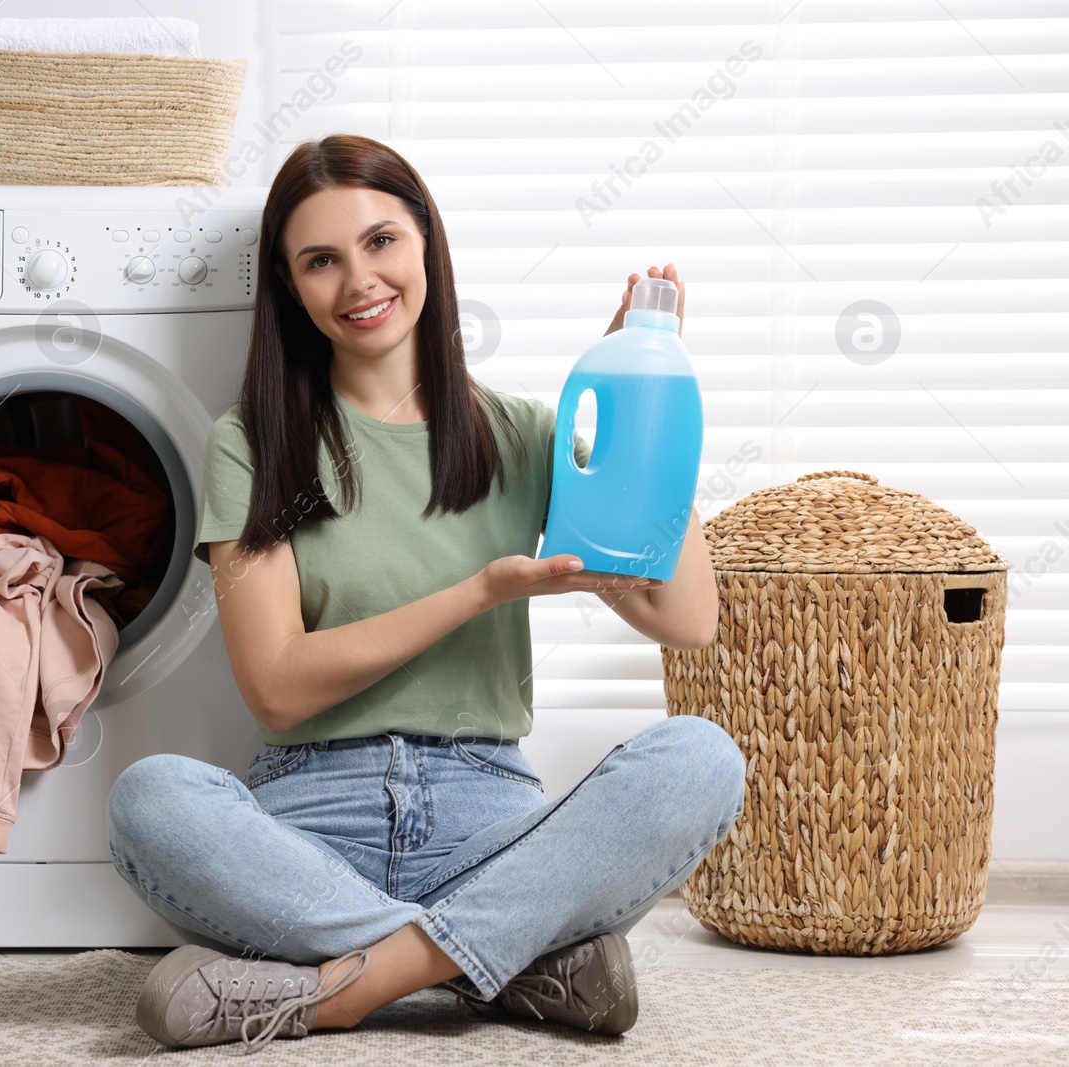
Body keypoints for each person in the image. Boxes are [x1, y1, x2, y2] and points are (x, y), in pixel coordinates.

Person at [104, 133, 746, 1053]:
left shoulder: (523, 435)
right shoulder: (253, 441)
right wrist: (477, 590)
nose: (358, 280)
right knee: (150, 798)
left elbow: (685, 620)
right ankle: (513, 962)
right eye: (320, 260)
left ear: (427, 249)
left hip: (486, 819)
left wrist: (634, 425)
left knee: (703, 757)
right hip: (306, 826)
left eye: (381, 243)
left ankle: (339, 991)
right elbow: (277, 685)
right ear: (291, 287)